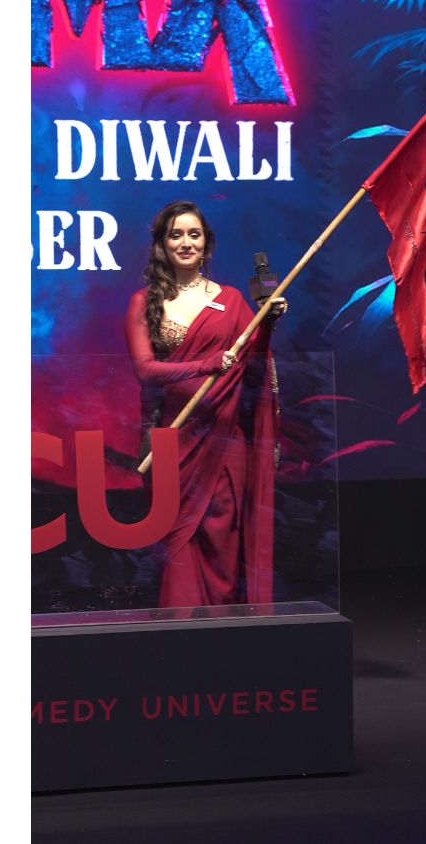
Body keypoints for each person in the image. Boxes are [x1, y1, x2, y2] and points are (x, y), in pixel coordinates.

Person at [125, 201, 286, 608]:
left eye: (193, 234)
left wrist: (267, 323)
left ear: (206, 243)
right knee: (178, 542)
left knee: (221, 540)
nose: (186, 242)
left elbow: (253, 361)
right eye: (176, 234)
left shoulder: (230, 299)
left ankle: (221, 631)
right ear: (162, 244)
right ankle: (180, 632)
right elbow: (145, 370)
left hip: (224, 440)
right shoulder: (144, 301)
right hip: (173, 441)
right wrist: (205, 364)